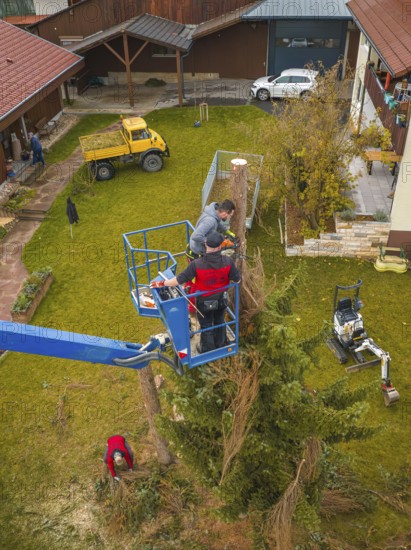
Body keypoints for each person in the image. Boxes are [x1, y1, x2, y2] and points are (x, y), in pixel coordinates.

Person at [152, 231, 241, 353]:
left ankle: (207, 349)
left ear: (206, 245)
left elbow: (179, 280)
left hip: (204, 302)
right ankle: (221, 343)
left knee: (206, 325)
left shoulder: (197, 264)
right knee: (220, 321)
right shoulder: (228, 262)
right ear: (220, 247)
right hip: (221, 299)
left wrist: (162, 283)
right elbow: (237, 279)